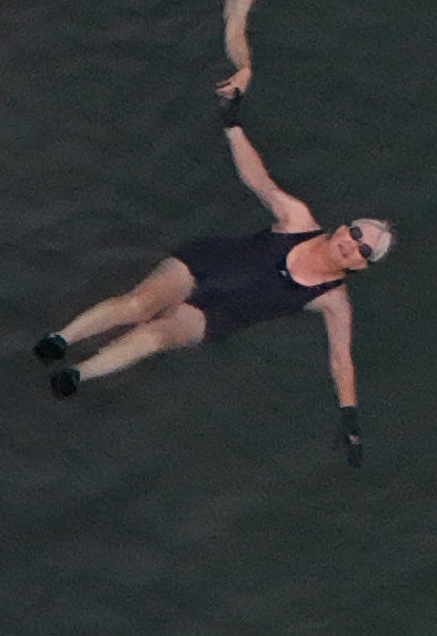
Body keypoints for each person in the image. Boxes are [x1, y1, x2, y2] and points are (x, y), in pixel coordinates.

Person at [46, 120, 393, 440]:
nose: (353, 245)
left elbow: (341, 360)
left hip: (218, 316)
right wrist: (233, 126)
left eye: (364, 250)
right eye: (356, 232)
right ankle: (60, 339)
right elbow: (258, 180)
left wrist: (349, 417)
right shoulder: (299, 221)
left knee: (155, 336)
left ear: (361, 266)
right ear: (344, 227)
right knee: (140, 304)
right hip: (205, 265)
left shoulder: (332, 299)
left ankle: (78, 374)